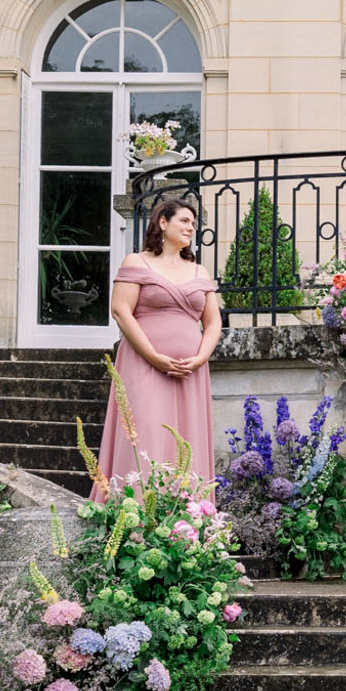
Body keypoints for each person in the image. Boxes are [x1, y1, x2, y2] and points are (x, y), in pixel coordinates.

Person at [94, 196, 221, 499]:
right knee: (145, 433)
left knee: (187, 438)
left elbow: (213, 322)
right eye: (184, 221)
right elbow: (120, 310)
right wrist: (154, 357)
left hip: (189, 372)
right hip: (144, 364)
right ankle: (135, 511)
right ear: (163, 222)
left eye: (193, 223)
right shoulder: (137, 262)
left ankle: (188, 515)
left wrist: (200, 358)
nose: (190, 228)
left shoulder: (199, 272)